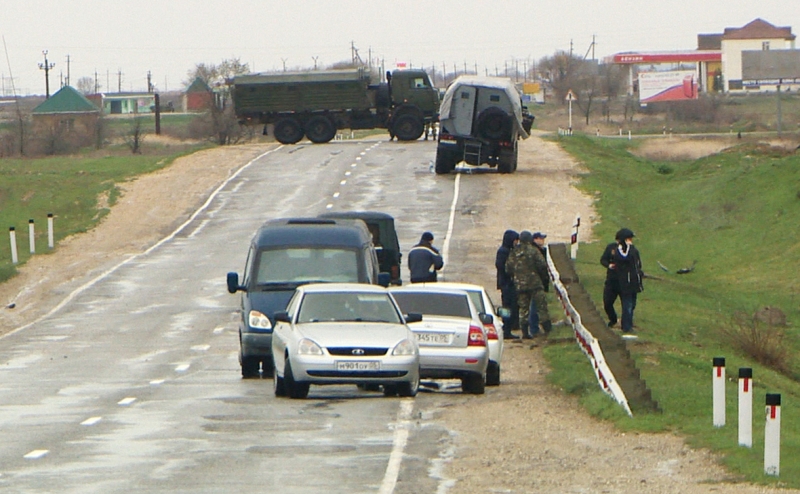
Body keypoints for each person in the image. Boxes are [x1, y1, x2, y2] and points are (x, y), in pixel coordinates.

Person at [505, 231, 548, 339]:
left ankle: (525, 333)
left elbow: (508, 268)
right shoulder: (533, 251)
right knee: (541, 306)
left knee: (523, 309)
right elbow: (542, 265)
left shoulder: (514, 252)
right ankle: (547, 329)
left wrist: (517, 275)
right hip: (535, 284)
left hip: (520, 285)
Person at [600, 228, 643, 333]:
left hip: (626, 282)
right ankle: (613, 319)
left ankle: (626, 325)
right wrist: (609, 265)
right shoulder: (611, 248)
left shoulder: (632, 251)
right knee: (607, 303)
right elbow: (603, 259)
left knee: (628, 305)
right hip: (613, 281)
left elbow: (637, 264)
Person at [495, 230, 520, 340]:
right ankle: (506, 329)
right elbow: (500, 266)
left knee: (512, 307)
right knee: (507, 307)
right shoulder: (503, 252)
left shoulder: (509, 250)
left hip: (509, 283)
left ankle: (509, 327)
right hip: (506, 284)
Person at [531, 232, 552, 334]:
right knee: (535, 306)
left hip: (538, 282)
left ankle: (535, 327)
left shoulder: (541, 250)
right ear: (535, 239)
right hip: (536, 283)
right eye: (541, 238)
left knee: (536, 306)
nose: (543, 240)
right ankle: (534, 329)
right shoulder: (535, 251)